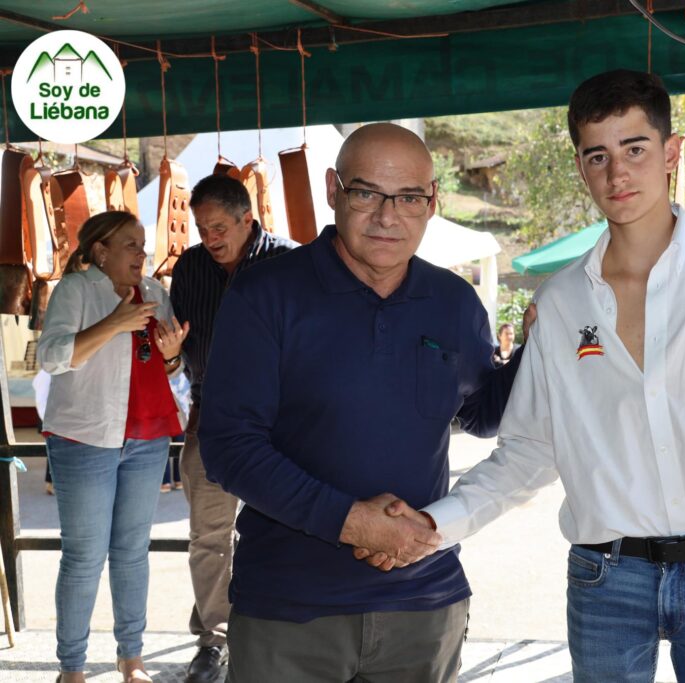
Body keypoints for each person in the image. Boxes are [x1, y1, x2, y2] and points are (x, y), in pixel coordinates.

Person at [377, 70, 685, 682]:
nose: (617, 174)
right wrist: (435, 525)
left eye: (635, 149)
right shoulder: (560, 303)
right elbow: (528, 452)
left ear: (670, 153)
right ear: (580, 167)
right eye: (598, 156)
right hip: (605, 579)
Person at [197, 123, 525, 682]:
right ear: (333, 190)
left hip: (424, 603)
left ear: (432, 201)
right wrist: (350, 522)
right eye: (367, 193)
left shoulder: (453, 302)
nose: (387, 216)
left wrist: (538, 347)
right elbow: (229, 447)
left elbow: (482, 414)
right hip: (290, 608)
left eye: (409, 198)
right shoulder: (265, 294)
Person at [37, 210, 189, 683]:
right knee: (84, 557)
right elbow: (51, 358)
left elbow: (169, 368)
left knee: (132, 553)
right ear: (101, 251)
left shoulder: (156, 292)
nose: (142, 254)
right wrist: (114, 323)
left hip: (147, 438)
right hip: (85, 437)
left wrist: (172, 356)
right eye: (131, 245)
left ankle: (132, 660)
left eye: (143, 245)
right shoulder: (76, 290)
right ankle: (72, 668)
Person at [169, 174, 295, 683]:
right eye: (202, 229)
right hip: (212, 416)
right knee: (209, 536)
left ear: (248, 218)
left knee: (287, 526)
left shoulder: (290, 262)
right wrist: (170, 358)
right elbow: (176, 350)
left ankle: (283, 631)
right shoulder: (190, 267)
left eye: (219, 227)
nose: (209, 238)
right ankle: (214, 640)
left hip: (283, 419)